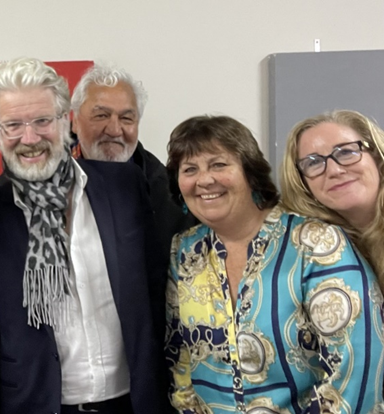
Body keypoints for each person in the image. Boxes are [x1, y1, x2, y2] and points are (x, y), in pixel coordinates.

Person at [0, 57, 169, 414]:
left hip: (134, 402)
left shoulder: (125, 187)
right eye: (13, 124)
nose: (30, 138)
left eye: (42, 121)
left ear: (64, 121)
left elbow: (155, 294)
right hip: (38, 405)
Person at [164, 115, 384, 413]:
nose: (204, 180)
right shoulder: (185, 250)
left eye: (218, 164)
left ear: (250, 173)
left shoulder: (314, 242)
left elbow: (356, 369)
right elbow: (180, 360)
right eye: (189, 169)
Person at [70, 63, 193, 252]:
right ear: (75, 122)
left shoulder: (166, 191)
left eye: (126, 118)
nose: (114, 130)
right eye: (101, 115)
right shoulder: (44, 183)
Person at [280, 109, 384, 287]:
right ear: (303, 183)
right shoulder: (310, 248)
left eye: (345, 152)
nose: (334, 170)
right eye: (313, 162)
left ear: (376, 156)